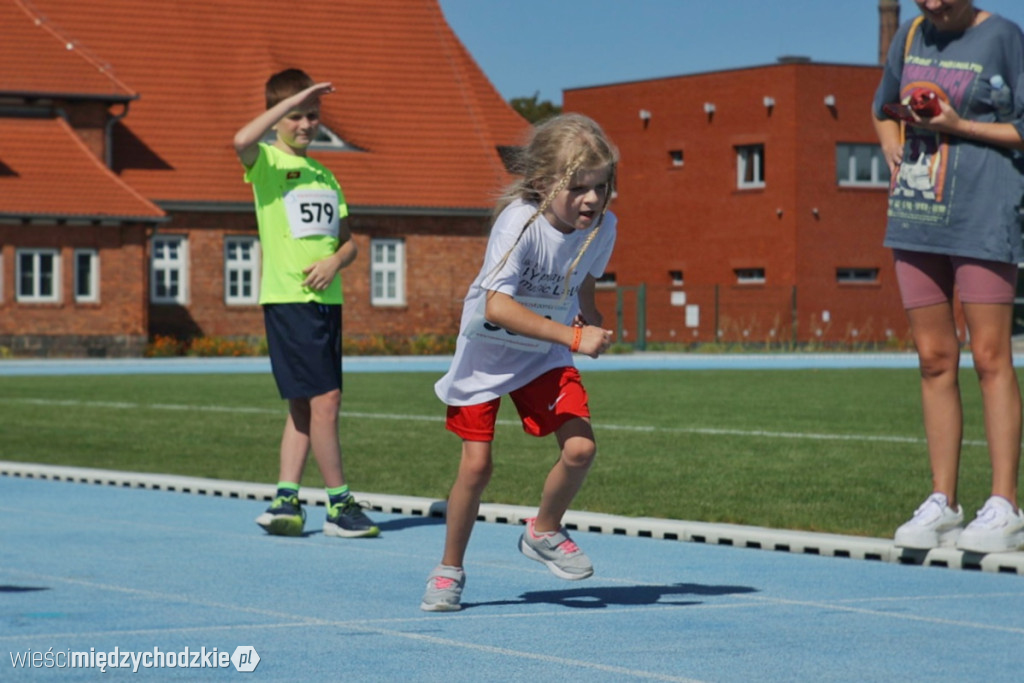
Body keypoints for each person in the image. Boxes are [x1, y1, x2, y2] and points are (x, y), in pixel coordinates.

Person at [420, 114, 619, 611]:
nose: (591, 200)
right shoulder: (520, 223)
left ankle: (544, 529)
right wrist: (574, 334)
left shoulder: (602, 227)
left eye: (600, 187)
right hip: (488, 352)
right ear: (541, 183)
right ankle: (449, 571)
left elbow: (583, 279)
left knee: (580, 449)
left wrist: (593, 318)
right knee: (477, 466)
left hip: (543, 353)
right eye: (578, 188)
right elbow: (498, 306)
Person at [872, 0, 1024, 553]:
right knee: (934, 358)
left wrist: (959, 125)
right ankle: (944, 502)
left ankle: (1005, 504)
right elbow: (881, 108)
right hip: (916, 214)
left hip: (984, 211)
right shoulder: (911, 34)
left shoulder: (1006, 37)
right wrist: (891, 146)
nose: (932, 5)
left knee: (990, 356)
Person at [233, 68, 378, 539]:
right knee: (327, 400)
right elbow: (241, 138)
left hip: (326, 303)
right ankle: (339, 505)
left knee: (302, 404)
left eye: (313, 116)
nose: (305, 125)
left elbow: (350, 243)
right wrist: (292, 101)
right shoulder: (268, 164)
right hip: (289, 300)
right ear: (277, 118)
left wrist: (335, 262)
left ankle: (286, 502)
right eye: (296, 115)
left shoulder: (325, 175)